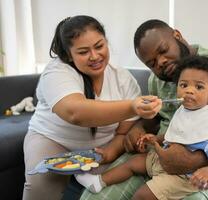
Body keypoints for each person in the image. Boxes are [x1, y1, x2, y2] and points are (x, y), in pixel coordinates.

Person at [80, 19, 208, 200]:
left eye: (163, 50)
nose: (160, 62)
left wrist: (194, 161)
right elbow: (154, 121)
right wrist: (138, 130)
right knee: (96, 196)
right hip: (158, 156)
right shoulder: (158, 80)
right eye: (151, 63)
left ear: (177, 35)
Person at [22, 15, 162, 200]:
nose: (95, 56)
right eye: (83, 52)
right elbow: (75, 112)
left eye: (99, 46)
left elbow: (123, 132)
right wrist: (133, 106)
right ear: (68, 55)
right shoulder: (57, 71)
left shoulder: (123, 79)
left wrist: (109, 153)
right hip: (53, 139)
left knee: (106, 189)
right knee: (41, 184)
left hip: (99, 148)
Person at [76, 55, 208, 200]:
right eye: (183, 85)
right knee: (133, 163)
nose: (189, 90)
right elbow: (177, 134)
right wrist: (155, 139)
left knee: (142, 196)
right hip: (161, 160)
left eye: (199, 87)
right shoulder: (184, 110)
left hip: (183, 176)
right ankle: (99, 182)